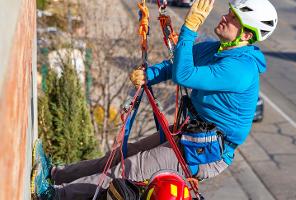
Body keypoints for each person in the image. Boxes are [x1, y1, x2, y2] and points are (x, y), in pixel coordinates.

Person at [32, 0, 278, 199]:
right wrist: (148, 75)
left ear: (246, 34)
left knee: (127, 169)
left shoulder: (241, 69)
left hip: (206, 152)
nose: (225, 17)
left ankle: (53, 195)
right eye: (229, 12)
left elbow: (184, 75)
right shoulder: (216, 50)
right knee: (119, 155)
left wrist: (190, 28)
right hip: (192, 134)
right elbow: (175, 65)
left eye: (234, 17)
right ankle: (56, 174)